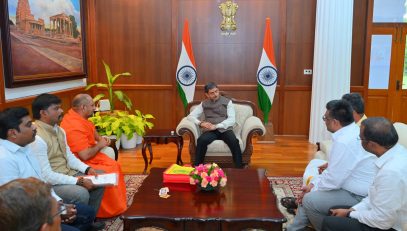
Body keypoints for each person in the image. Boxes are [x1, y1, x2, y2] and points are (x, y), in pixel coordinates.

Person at [0, 107, 103, 231]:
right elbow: (15, 207)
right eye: (28, 125)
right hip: (27, 218)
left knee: (87, 213)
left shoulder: (26, 147)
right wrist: (56, 213)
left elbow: (42, 181)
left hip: (43, 204)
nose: (34, 127)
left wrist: (59, 204)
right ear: (13, 133)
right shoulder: (4, 159)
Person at [287, 100, 377, 231]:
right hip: (349, 186)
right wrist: (312, 185)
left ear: (335, 122)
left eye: (325, 118)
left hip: (357, 195)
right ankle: (295, 228)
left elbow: (334, 180)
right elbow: (333, 172)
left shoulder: (344, 141)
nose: (324, 121)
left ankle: (325, 228)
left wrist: (312, 189)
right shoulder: (351, 131)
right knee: (312, 188)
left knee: (309, 200)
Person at [322, 117, 407, 231]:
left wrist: (349, 214)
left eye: (360, 138)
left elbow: (382, 220)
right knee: (334, 211)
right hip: (380, 214)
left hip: (389, 226)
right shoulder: (397, 152)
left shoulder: (391, 172)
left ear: (371, 144)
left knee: (330, 222)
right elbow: (373, 197)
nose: (359, 140)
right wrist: (352, 210)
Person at [29, 94, 105, 216]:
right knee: (81, 193)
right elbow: (46, 175)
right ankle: (76, 223)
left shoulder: (59, 130)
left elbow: (69, 157)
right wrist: (78, 181)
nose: (62, 110)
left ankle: (90, 219)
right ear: (43, 113)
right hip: (52, 183)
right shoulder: (37, 137)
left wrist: (87, 169)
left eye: (60, 107)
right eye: (56, 108)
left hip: (68, 173)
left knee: (100, 178)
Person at [60, 93, 127, 218]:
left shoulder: (81, 118)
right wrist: (100, 145)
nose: (95, 108)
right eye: (92, 106)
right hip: (81, 161)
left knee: (114, 165)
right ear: (83, 107)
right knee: (109, 170)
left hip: (92, 156)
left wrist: (102, 140)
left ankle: (118, 205)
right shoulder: (73, 125)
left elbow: (94, 134)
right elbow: (84, 155)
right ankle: (105, 211)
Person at [187, 82, 242, 168]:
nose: (215, 94)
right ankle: (198, 168)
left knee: (234, 141)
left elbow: (231, 120)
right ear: (207, 95)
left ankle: (239, 169)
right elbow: (190, 116)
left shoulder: (227, 102)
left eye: (216, 91)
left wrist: (217, 126)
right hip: (210, 130)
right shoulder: (204, 104)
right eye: (212, 93)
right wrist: (201, 123)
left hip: (225, 129)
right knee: (201, 140)